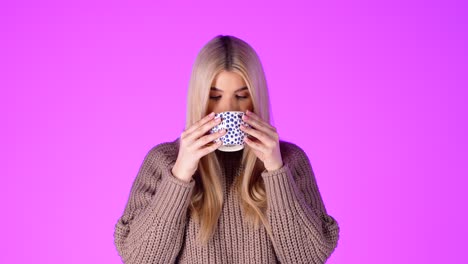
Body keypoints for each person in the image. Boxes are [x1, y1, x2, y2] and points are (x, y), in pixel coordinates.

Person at [113, 35, 340, 264]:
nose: (228, 108)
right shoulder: (163, 161)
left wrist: (275, 170)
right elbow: (140, 259)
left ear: (256, 98)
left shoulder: (290, 160)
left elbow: (308, 258)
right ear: (198, 99)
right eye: (214, 96)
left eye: (241, 96)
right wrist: (180, 175)